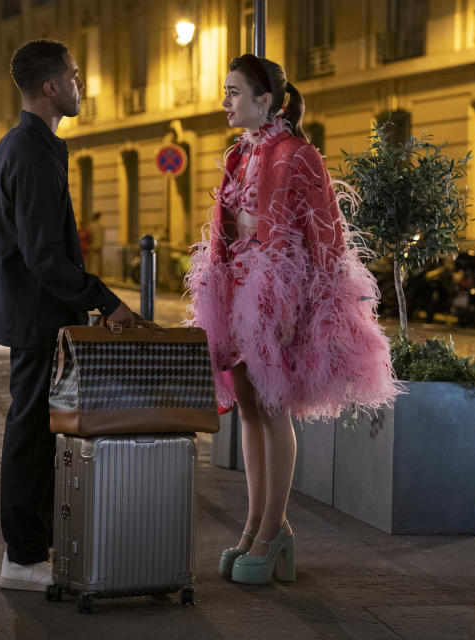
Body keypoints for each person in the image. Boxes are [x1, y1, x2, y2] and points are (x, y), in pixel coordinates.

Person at [186, 54, 401, 585]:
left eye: (235, 92)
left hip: (274, 297)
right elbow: (228, 230)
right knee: (251, 414)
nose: (225, 102)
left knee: (274, 410)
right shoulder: (239, 153)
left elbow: (323, 237)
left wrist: (293, 307)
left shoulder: (298, 154)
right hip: (234, 294)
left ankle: (272, 530)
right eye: (226, 91)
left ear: (266, 101)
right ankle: (254, 526)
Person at [0, 39, 136, 592]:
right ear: (50, 87)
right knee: (29, 432)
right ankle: (22, 558)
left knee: (36, 429)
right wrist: (106, 299)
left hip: (36, 312)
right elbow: (44, 253)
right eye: (73, 76)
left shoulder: (29, 146)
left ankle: (30, 551)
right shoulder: (29, 151)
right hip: (37, 314)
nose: (79, 85)